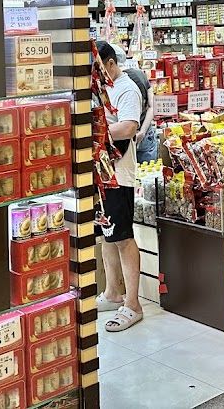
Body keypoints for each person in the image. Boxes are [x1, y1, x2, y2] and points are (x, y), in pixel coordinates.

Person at [93, 41, 144, 331]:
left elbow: (128, 127)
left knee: (123, 238)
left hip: (119, 176)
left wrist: (93, 129)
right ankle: (113, 292)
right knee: (106, 235)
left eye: (99, 68)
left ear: (111, 63)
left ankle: (133, 304)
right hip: (101, 175)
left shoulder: (126, 89)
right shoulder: (102, 89)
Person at [122, 63, 158, 164]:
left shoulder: (116, 81)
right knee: (149, 174)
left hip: (124, 136)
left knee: (130, 176)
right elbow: (152, 105)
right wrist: (142, 132)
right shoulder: (140, 74)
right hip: (145, 131)